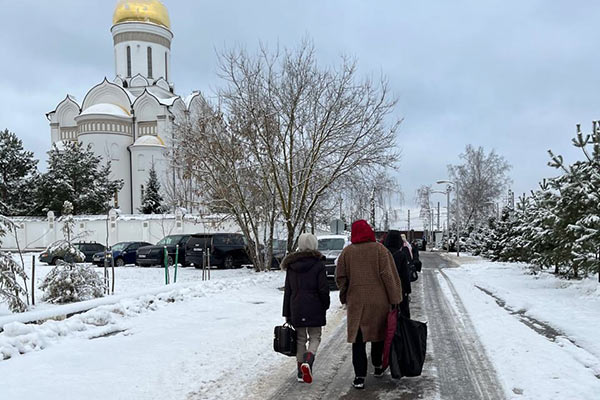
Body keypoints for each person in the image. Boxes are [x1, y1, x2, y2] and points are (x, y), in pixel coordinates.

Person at [336, 220, 402, 390]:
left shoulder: (347, 252)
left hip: (357, 302)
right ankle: (378, 366)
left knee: (358, 340)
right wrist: (395, 299)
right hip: (379, 301)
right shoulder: (381, 250)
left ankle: (359, 376)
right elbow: (389, 276)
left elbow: (341, 277)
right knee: (379, 334)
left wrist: (344, 295)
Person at [282, 233, 330, 384]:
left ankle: (299, 372)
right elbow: (323, 289)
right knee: (315, 337)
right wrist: (325, 304)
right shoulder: (319, 265)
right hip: (315, 306)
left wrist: (287, 312)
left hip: (296, 306)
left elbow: (288, 291)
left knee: (300, 339)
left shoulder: (291, 266)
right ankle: (308, 362)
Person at [384, 230, 412, 318]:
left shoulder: (382, 254)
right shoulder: (401, 255)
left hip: (384, 290)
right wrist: (407, 290)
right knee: (402, 315)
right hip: (399, 290)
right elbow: (405, 275)